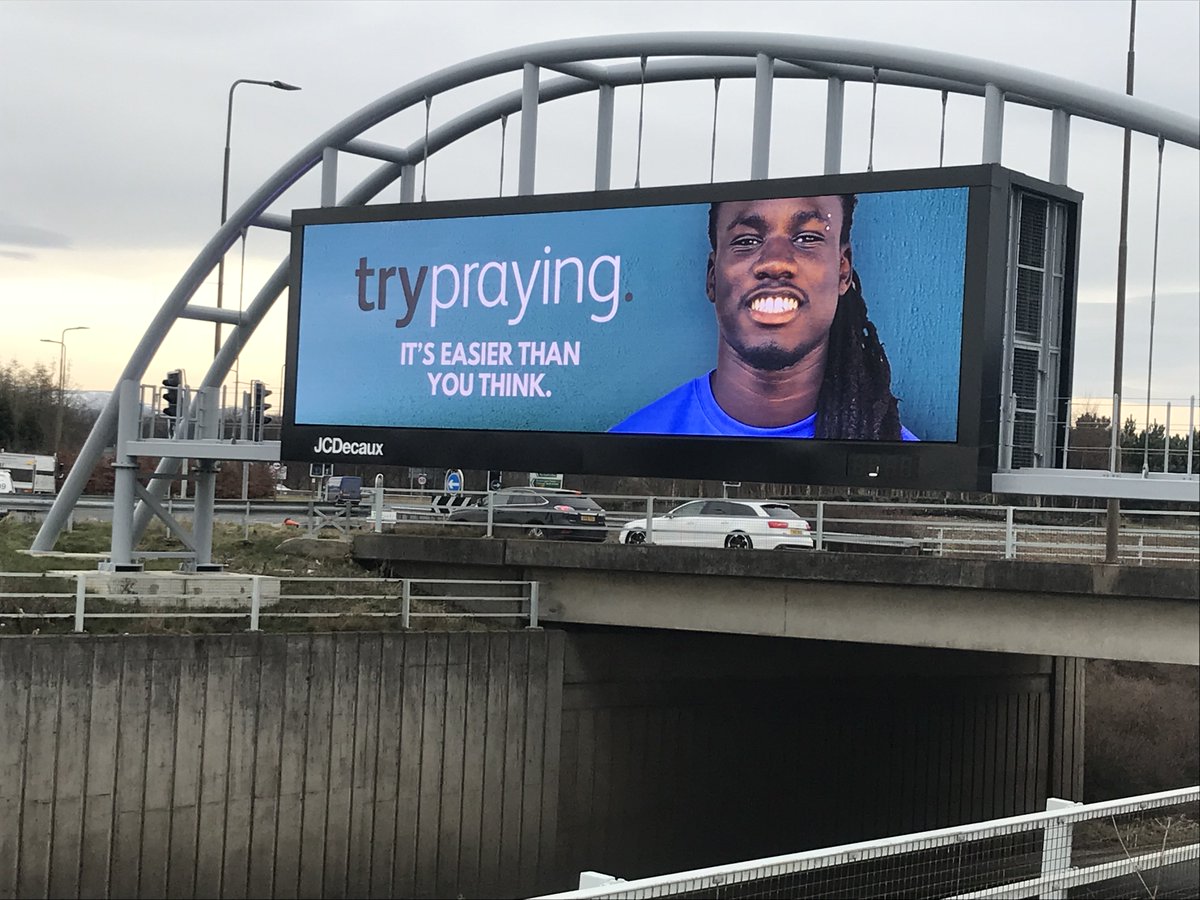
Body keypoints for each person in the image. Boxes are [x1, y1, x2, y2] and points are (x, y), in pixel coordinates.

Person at [610, 194, 918, 440]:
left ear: (843, 270)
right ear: (712, 277)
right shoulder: (630, 441)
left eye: (807, 238)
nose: (774, 263)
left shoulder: (891, 448)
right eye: (746, 241)